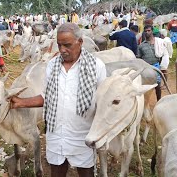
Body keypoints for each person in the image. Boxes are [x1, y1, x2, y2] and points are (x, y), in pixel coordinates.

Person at [10, 23, 107, 177]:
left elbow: (104, 102)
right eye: (59, 45)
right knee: (57, 171)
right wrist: (21, 102)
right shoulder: (52, 66)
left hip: (82, 136)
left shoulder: (97, 66)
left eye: (67, 45)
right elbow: (47, 97)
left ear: (80, 42)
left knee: (86, 172)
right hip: (56, 135)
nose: (62, 50)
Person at [137, 25, 169, 101]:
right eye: (145, 31)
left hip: (156, 67)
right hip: (145, 68)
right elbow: (139, 57)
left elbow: (163, 54)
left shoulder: (159, 42)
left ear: (152, 31)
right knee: (144, 86)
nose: (147, 32)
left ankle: (159, 101)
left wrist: (162, 66)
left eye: (149, 30)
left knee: (157, 86)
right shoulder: (141, 46)